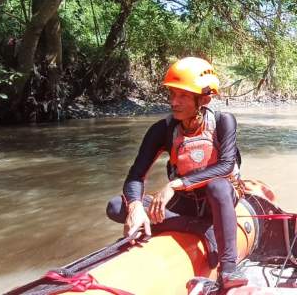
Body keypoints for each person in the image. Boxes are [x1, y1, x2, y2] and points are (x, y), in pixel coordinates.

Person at [105, 57, 247, 291]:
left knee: (218, 186)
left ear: (204, 99)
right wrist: (135, 206)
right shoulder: (162, 129)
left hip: (216, 202)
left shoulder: (223, 122)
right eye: (172, 94)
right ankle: (197, 227)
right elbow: (136, 175)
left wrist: (174, 184)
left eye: (183, 96)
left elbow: (226, 166)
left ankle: (229, 268)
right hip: (185, 203)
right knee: (116, 207)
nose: (174, 102)